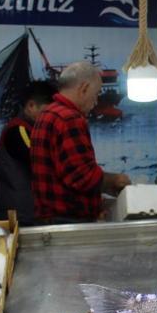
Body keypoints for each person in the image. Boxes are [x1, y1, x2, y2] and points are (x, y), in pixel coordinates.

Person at [30, 61, 130, 224]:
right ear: (84, 88)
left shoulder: (47, 114)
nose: (96, 101)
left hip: (48, 218)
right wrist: (114, 180)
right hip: (67, 221)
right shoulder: (70, 118)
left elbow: (66, 172)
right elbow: (82, 176)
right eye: (96, 93)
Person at [0, 82, 57, 224]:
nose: (52, 117)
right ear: (31, 106)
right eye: (48, 111)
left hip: (27, 215)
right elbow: (39, 161)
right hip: (19, 218)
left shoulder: (33, 130)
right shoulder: (18, 129)